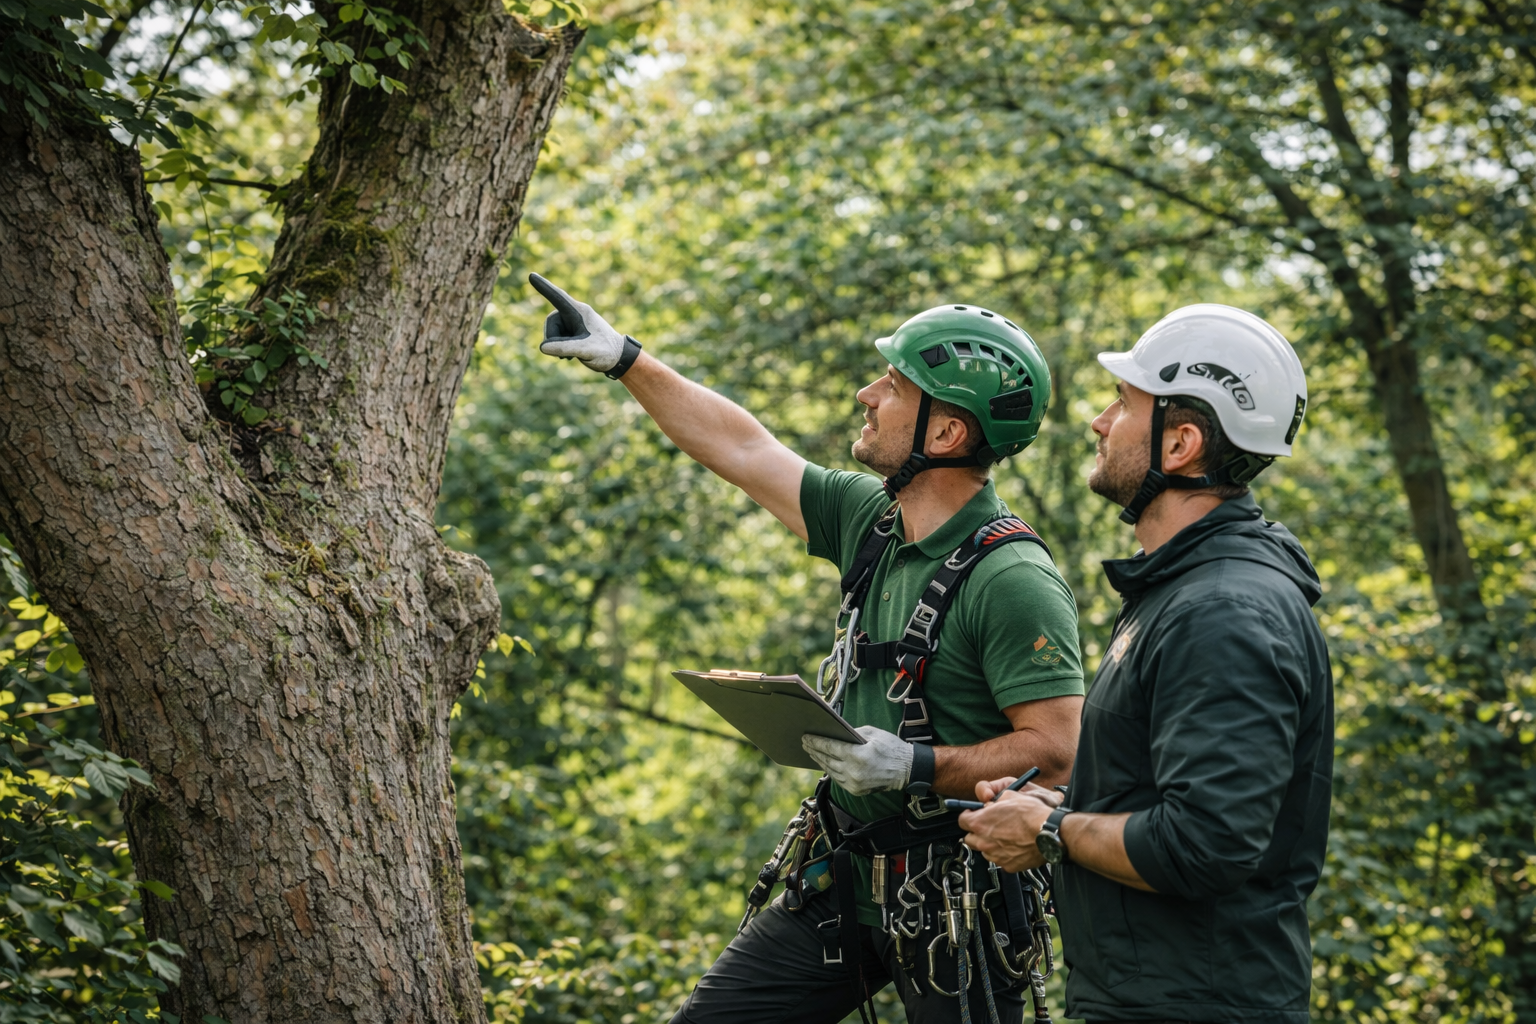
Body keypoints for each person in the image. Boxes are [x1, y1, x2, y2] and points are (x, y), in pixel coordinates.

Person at [527, 273, 1086, 1024]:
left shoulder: (1013, 579)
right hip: (843, 875)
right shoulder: (871, 520)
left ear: (946, 434)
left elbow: (1057, 752)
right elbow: (745, 448)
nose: (866, 393)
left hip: (960, 902)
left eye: (893, 384)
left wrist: (914, 765)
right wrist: (628, 359)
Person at [956, 304, 1334, 1024]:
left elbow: (1206, 844)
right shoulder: (1182, 590)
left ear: (1182, 443)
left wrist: (1048, 833)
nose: (1100, 421)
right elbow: (1165, 805)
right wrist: (1058, 809)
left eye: (1123, 404)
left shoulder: (1225, 611)